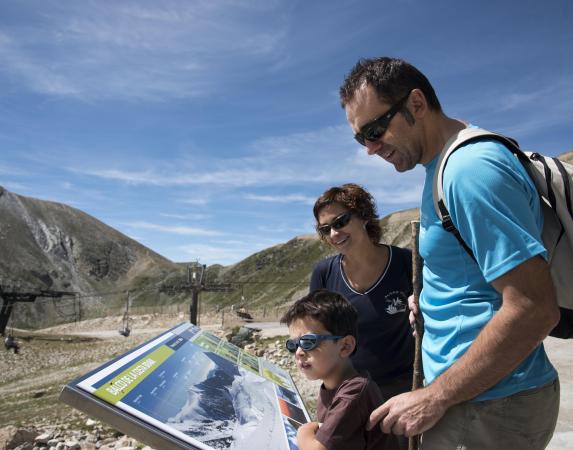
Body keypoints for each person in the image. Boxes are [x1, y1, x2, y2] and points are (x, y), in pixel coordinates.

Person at [338, 57, 560, 450]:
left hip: (487, 405)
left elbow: (532, 307)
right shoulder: (438, 168)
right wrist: (430, 299)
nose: (370, 149)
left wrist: (435, 396)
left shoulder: (469, 170)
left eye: (375, 129)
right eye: (361, 138)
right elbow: (473, 275)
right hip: (475, 399)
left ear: (416, 104)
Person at [310, 184, 414, 400]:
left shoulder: (406, 262)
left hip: (403, 393)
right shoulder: (324, 273)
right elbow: (315, 333)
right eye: (325, 229)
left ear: (364, 216)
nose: (334, 234)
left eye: (340, 222)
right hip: (347, 392)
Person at [281, 289, 399, 450]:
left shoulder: (353, 395)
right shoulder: (335, 385)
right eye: (293, 345)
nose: (299, 352)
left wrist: (305, 429)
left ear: (345, 346)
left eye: (308, 342)